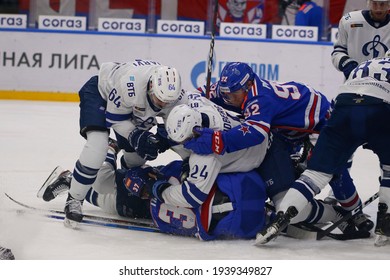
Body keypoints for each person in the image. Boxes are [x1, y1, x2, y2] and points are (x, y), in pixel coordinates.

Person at [186, 62, 373, 231]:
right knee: (280, 160)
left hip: (320, 122)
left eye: (233, 95)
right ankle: (291, 189)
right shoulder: (232, 88)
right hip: (286, 127)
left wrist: (217, 140)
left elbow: (254, 134)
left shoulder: (260, 98)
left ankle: (354, 212)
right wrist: (199, 108)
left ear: (249, 86)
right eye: (225, 94)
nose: (228, 99)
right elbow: (196, 93)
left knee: (330, 168)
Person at [255, 51, 390, 246]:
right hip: (380, 107)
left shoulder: (367, 64)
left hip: (344, 107)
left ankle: (281, 217)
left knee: (316, 173)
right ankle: (384, 225)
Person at [61, 59, 183, 228]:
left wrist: (163, 138)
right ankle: (74, 199)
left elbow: (175, 123)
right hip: (101, 94)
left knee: (138, 158)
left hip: (130, 108)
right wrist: (135, 136)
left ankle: (116, 165)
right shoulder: (131, 84)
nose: (161, 105)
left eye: (166, 102)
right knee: (97, 146)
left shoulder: (173, 95)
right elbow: (114, 118)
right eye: (158, 99)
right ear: (150, 86)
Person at [331, 0, 390, 80]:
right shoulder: (349, 21)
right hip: (354, 84)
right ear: (369, 3)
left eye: (382, 4)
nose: (378, 9)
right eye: (375, 4)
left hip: (385, 86)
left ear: (388, 5)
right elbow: (338, 51)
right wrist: (345, 63)